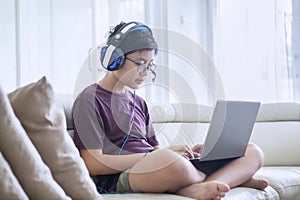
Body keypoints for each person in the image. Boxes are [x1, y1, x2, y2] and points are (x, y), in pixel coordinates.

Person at [72, 21, 268, 200]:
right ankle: (230, 178)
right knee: (169, 162)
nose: (145, 72)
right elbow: (92, 164)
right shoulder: (89, 99)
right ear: (114, 59)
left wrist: (180, 152)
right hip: (122, 176)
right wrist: (154, 156)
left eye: (150, 65)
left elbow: (155, 150)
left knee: (252, 152)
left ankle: (204, 184)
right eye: (140, 63)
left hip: (158, 165)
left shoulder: (138, 103)